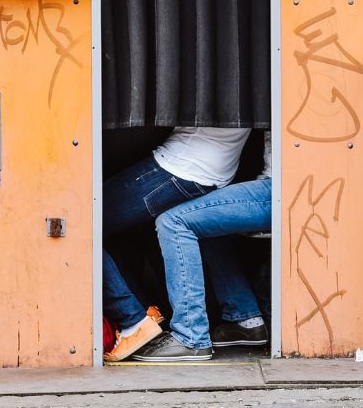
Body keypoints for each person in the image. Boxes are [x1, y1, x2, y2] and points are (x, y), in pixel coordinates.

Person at [102, 126, 254, 362]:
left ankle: (132, 321)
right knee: (128, 222)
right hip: (216, 169)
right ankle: (147, 312)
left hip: (181, 164)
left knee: (83, 220)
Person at [133, 140, 272, 362]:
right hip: (273, 185)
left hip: (276, 188)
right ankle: (246, 320)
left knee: (173, 222)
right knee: (200, 217)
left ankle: (191, 337)